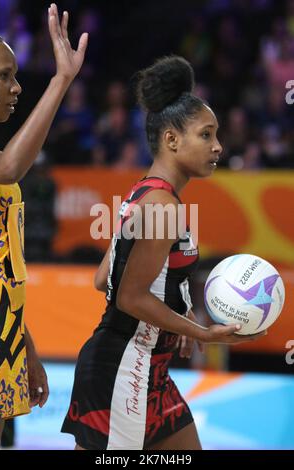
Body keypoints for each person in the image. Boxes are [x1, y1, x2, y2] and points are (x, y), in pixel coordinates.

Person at [61, 56, 266, 450]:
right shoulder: (162, 206)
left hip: (149, 371)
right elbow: (128, 295)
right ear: (172, 140)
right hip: (122, 369)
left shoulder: (146, 194)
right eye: (206, 135)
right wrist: (200, 331)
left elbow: (103, 278)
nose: (218, 146)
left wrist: (177, 314)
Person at [0, 3, 88, 449]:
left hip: (2, 334)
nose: (14, 87)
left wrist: (25, 347)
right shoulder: (2, 166)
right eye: (2, 76)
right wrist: (61, 80)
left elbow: (2, 270)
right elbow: (11, 166)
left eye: (14, 75)